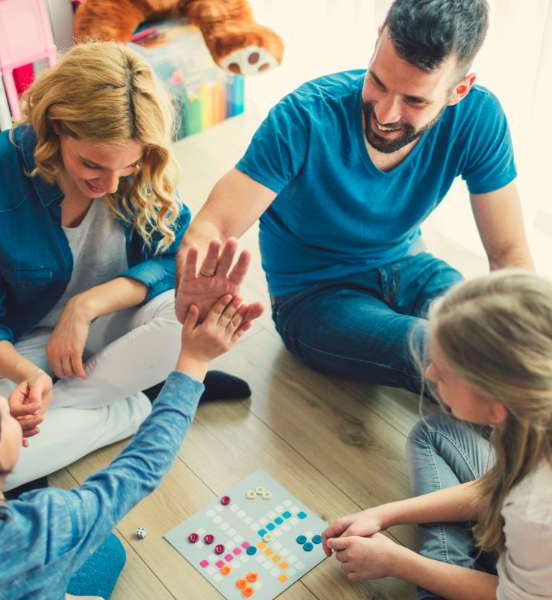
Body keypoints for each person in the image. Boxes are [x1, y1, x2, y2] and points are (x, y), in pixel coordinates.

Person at [175, 0, 534, 394]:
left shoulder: (479, 116)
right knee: (442, 351)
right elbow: (215, 223)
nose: (385, 112)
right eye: (378, 82)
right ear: (378, 38)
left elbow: (508, 253)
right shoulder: (303, 118)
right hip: (314, 298)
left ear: (459, 90)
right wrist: (193, 279)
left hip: (412, 268)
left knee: (494, 343)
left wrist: (526, 339)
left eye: (415, 101)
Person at [0, 42, 258, 492]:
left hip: (105, 330)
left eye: (128, 166)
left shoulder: (144, 172)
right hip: (18, 345)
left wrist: (87, 304)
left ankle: (75, 413)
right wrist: (28, 376)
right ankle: (141, 405)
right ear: (55, 128)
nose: (110, 185)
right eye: (91, 165)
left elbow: (173, 257)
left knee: (189, 318)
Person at [0, 273, 253, 600]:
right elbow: (141, 467)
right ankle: (148, 398)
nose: (6, 407)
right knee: (108, 549)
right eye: (1, 416)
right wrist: (195, 362)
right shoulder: (50, 525)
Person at [321, 271, 552, 599]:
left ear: (496, 404)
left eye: (442, 373)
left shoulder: (537, 510)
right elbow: (497, 486)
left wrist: (398, 562)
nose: (429, 373)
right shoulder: (530, 418)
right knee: (434, 432)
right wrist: (385, 513)